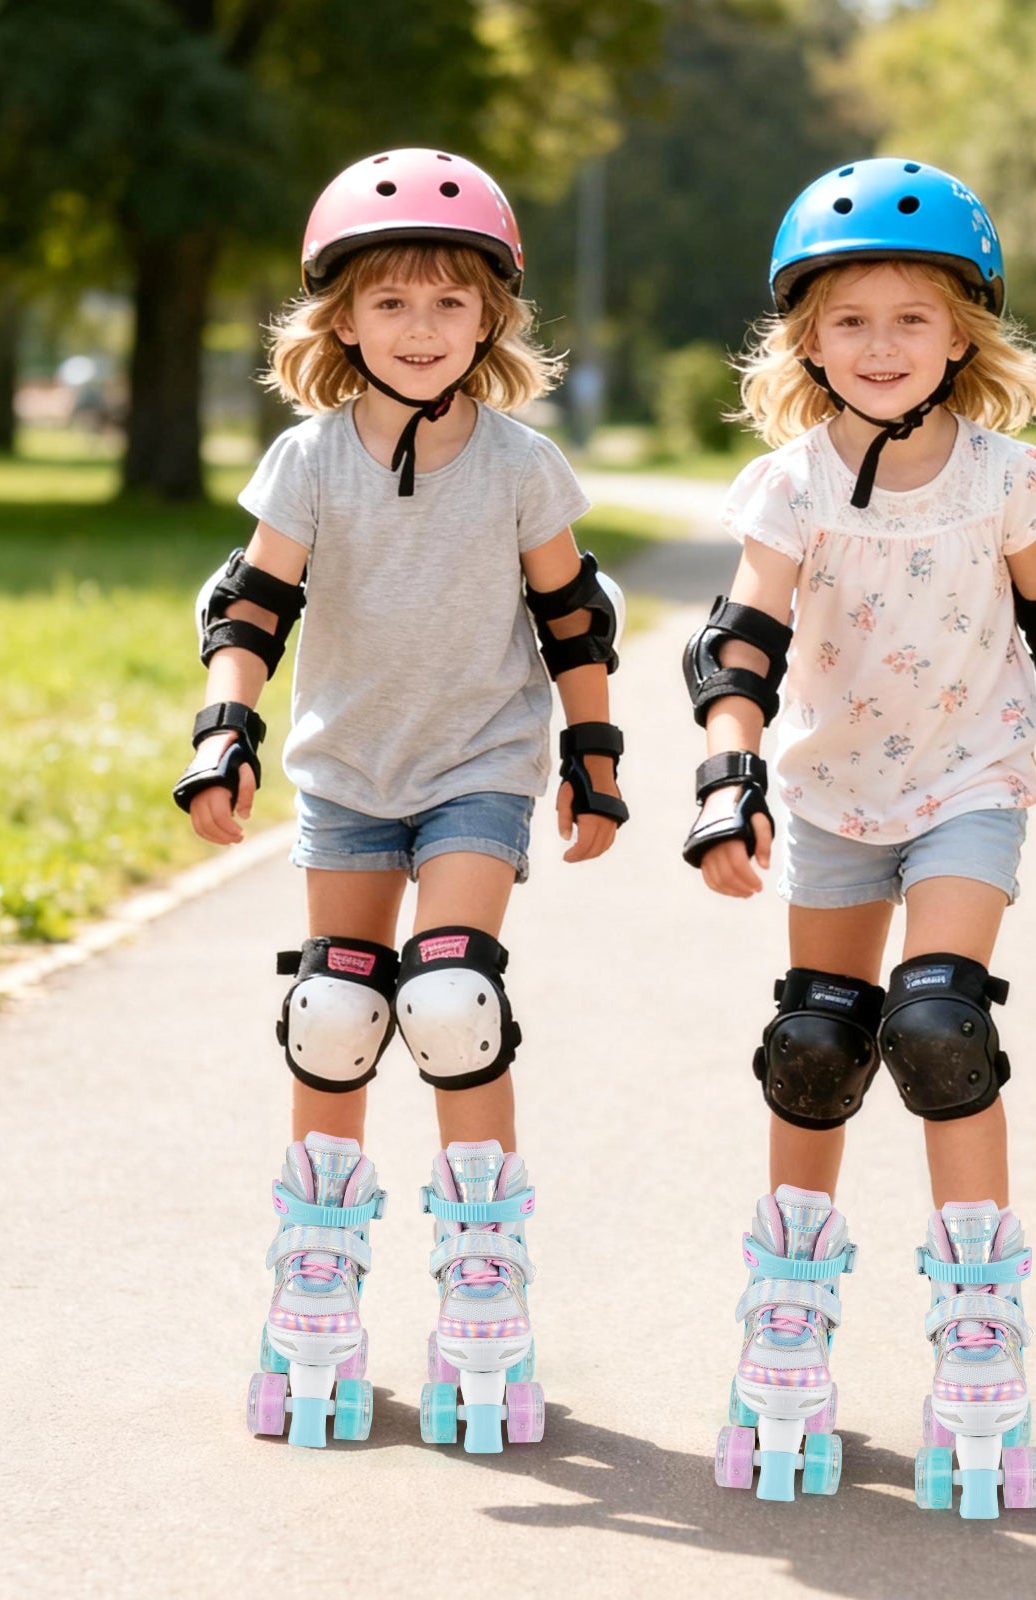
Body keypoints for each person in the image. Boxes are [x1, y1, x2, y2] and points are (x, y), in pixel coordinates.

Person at [689, 159, 1036, 1513]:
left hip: (967, 780)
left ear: (963, 333)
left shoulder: (1007, 479)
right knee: (817, 1044)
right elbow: (743, 641)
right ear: (805, 338)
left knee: (941, 1024)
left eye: (911, 318)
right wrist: (727, 776)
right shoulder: (789, 487)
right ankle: (787, 1308)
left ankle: (979, 1328)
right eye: (850, 320)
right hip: (830, 791)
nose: (881, 344)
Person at [172, 148, 628, 1453]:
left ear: (491, 317)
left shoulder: (522, 465)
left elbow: (572, 618)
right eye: (390, 302)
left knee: (449, 994)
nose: (420, 327)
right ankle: (315, 1275)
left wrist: (595, 759)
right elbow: (253, 609)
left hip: (479, 763)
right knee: (335, 1013)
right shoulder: (308, 460)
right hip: (347, 775)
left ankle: (485, 1278)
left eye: (448, 301)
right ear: (341, 319)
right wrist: (223, 732)